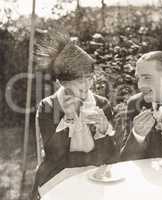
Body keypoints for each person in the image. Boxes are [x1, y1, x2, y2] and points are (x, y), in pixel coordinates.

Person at [31, 31, 117, 199]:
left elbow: (110, 155)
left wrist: (103, 130)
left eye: (90, 78)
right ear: (62, 83)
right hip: (58, 176)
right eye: (79, 80)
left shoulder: (101, 104)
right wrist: (68, 119)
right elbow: (53, 156)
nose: (86, 85)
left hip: (94, 175)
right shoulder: (49, 106)